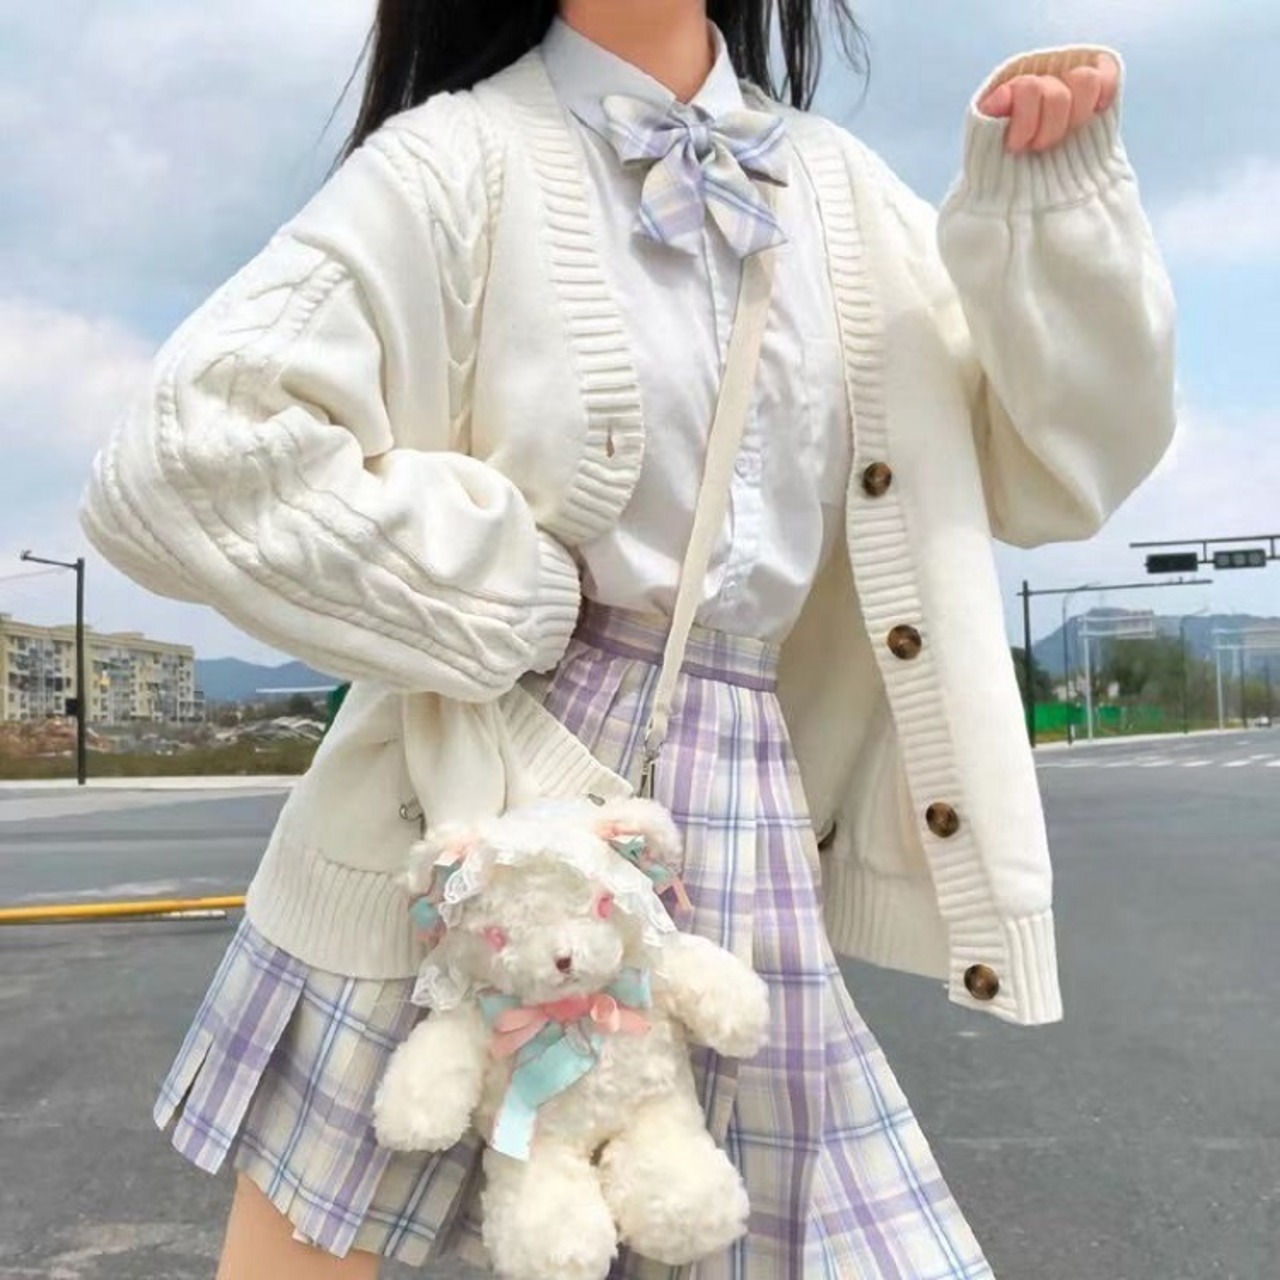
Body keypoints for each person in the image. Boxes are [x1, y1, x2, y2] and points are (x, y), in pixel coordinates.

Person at [79, 1, 1176, 1276]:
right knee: (331, 1233)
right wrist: (508, 597)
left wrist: (1046, 213)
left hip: (740, 796)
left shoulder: (840, 191)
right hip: (470, 796)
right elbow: (184, 456)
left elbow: (1053, 474)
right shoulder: (457, 160)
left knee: (714, 1212)